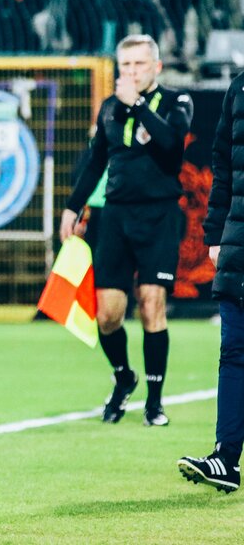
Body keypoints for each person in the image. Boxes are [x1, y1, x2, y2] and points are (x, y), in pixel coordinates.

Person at [60, 34, 194, 426]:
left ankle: (154, 403)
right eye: (126, 65)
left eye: (139, 64)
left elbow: (171, 145)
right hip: (116, 217)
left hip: (159, 216)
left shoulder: (176, 102)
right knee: (107, 315)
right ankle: (124, 377)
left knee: (152, 304)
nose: (132, 72)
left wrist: (137, 104)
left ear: (157, 67)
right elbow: (95, 163)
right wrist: (72, 207)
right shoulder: (109, 109)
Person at [177, 70, 244, 493]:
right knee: (234, 350)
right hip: (238, 242)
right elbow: (222, 163)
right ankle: (225, 459)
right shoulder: (238, 87)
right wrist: (216, 234)